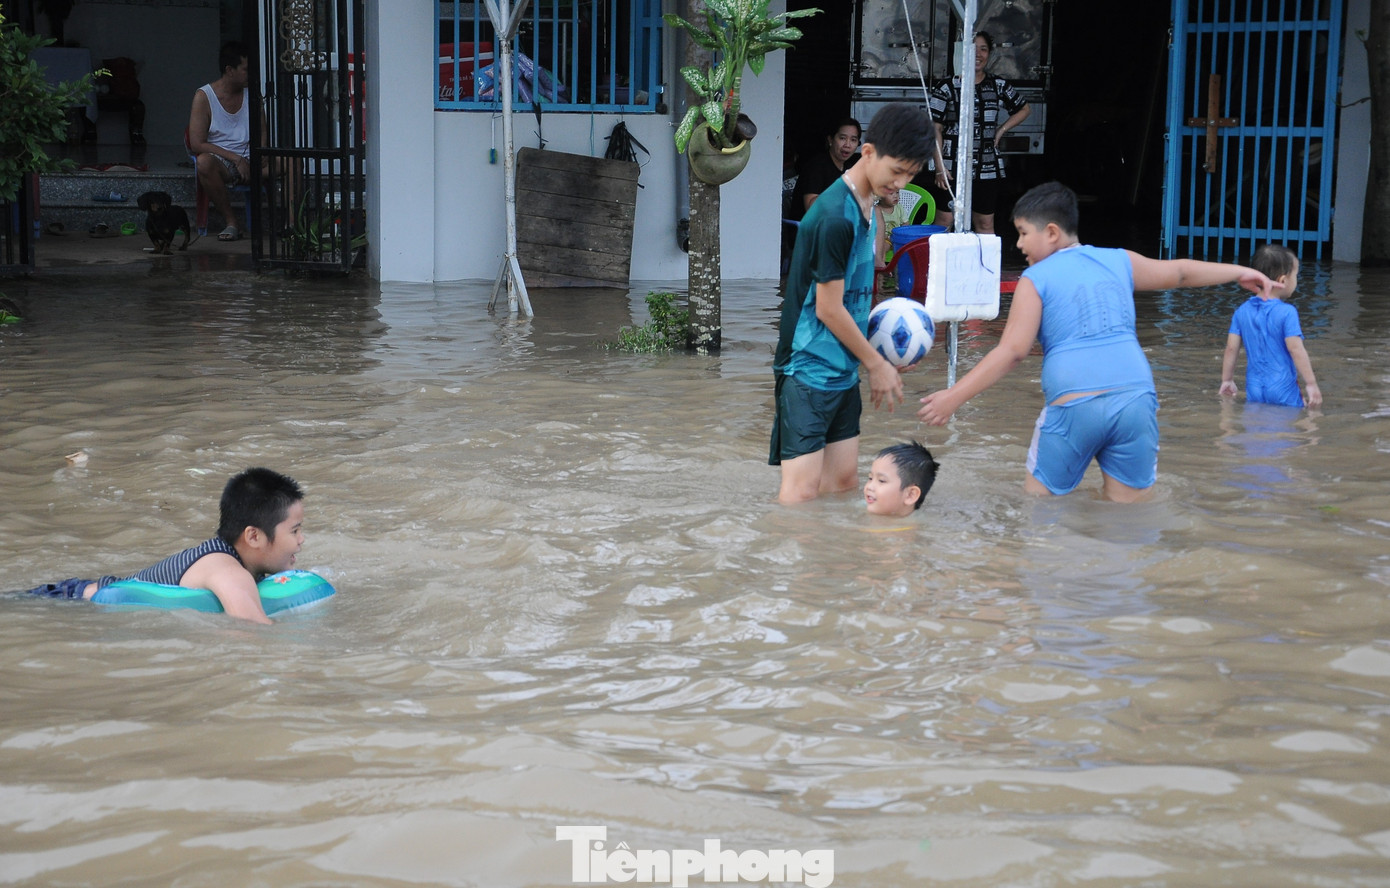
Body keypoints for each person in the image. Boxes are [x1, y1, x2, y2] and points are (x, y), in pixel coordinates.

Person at [917, 181, 1275, 503]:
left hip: (1075, 405)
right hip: (1136, 401)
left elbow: (1012, 351)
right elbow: (1179, 273)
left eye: (1024, 233)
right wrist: (1240, 272)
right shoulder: (1118, 260)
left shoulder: (1035, 278)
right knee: (1127, 518)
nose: (1019, 243)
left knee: (1042, 511)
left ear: (1052, 232)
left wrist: (954, 397)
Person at [771, 102, 935, 505]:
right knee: (800, 497)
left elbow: (855, 300)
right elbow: (828, 308)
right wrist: (875, 363)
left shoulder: (869, 208)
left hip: (842, 371)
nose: (901, 183)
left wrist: (883, 351)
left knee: (843, 486)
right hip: (807, 371)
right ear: (867, 153)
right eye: (896, 171)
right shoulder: (834, 216)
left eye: (911, 175)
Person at [24, 467, 306, 625]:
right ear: (254, 537)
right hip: (71, 602)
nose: (301, 540)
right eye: (294, 530)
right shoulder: (228, 570)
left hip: (76, 593)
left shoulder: (231, 559)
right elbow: (251, 631)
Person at [927, 31, 1031, 234]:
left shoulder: (998, 85)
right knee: (944, 220)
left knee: (984, 223)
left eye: (983, 49)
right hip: (951, 165)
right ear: (963, 52)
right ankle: (935, 265)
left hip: (986, 166)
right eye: (973, 49)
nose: (978, 54)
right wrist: (939, 167)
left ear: (990, 54)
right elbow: (934, 128)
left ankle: (985, 267)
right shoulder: (947, 86)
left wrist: (1001, 130)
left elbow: (1024, 109)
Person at [1219, 245, 1322, 409]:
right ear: (1283, 280)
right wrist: (1311, 383)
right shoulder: (1287, 312)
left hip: (1254, 388)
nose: (1296, 280)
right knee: (1292, 426)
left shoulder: (1241, 311)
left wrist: (1227, 380)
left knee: (1257, 427)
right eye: (1295, 275)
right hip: (1283, 388)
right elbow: (1296, 350)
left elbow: (1231, 349)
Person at [188, 41, 253, 242]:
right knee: (204, 162)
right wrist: (235, 158)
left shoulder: (252, 92)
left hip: (255, 159)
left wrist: (259, 157)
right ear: (229, 70)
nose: (250, 74)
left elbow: (263, 131)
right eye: (245, 70)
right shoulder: (204, 96)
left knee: (293, 161)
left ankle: (293, 226)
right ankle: (232, 222)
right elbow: (196, 143)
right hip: (225, 162)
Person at [789, 118, 862, 221]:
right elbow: (811, 209)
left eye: (853, 140)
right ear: (830, 139)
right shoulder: (816, 166)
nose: (847, 145)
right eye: (842, 138)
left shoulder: (848, 168)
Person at [864, 441, 940, 517]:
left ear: (910, 495)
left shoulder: (913, 528)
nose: (869, 487)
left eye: (881, 481)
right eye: (870, 478)